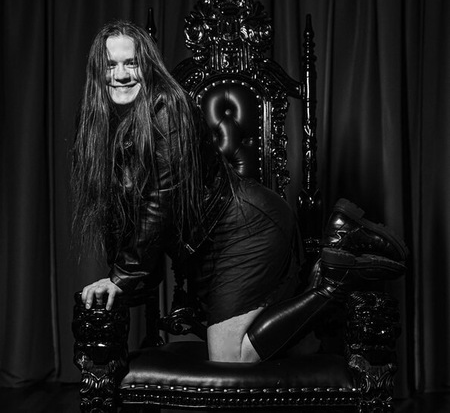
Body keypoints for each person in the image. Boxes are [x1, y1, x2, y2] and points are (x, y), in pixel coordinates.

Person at [73, 20, 408, 363]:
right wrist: (119, 280)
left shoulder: (166, 108)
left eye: (131, 63)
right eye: (111, 65)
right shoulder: (104, 125)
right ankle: (334, 247)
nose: (121, 75)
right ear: (99, 71)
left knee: (228, 357)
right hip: (209, 246)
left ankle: (333, 281)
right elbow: (122, 216)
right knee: (294, 349)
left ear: (148, 66)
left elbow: (161, 200)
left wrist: (122, 278)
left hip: (248, 228)